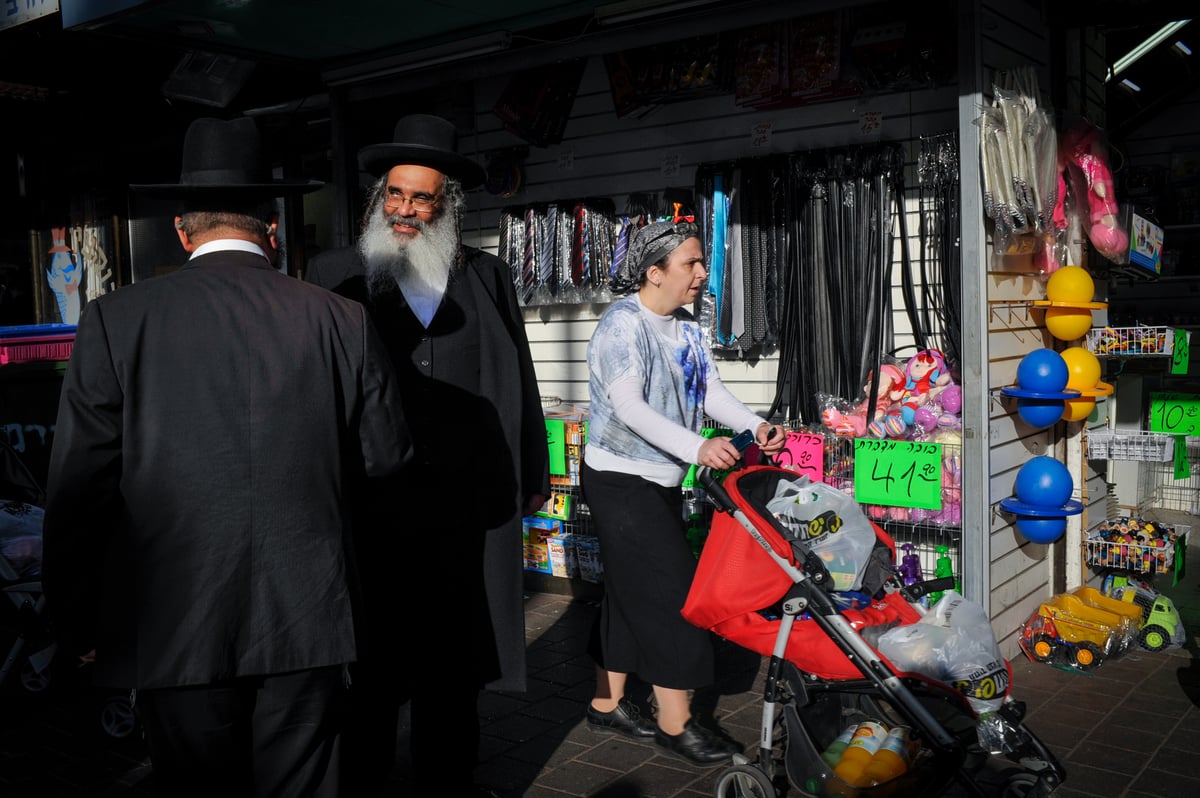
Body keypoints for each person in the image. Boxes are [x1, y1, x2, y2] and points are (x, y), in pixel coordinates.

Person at [40, 117, 413, 798]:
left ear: (183, 231)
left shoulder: (115, 320)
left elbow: (78, 485)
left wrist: (76, 614)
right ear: (271, 225)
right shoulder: (339, 318)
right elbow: (387, 459)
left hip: (171, 619)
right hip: (310, 614)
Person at [305, 113, 549, 796]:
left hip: (462, 508)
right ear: (379, 197)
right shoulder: (331, 273)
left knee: (457, 652)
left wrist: (532, 469)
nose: (406, 210)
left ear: (447, 205)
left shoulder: (489, 276)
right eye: (396, 194)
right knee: (373, 655)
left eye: (422, 198)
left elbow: (520, 378)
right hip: (372, 503)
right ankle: (366, 774)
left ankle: (449, 774)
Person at [582, 219, 786, 766]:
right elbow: (628, 407)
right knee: (671, 592)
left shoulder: (689, 326)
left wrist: (752, 425)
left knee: (630, 590)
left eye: (700, 263)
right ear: (654, 272)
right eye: (691, 264)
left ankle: (607, 704)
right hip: (619, 478)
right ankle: (677, 723)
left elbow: (709, 391)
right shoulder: (622, 326)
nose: (702, 274)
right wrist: (697, 448)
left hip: (659, 478)